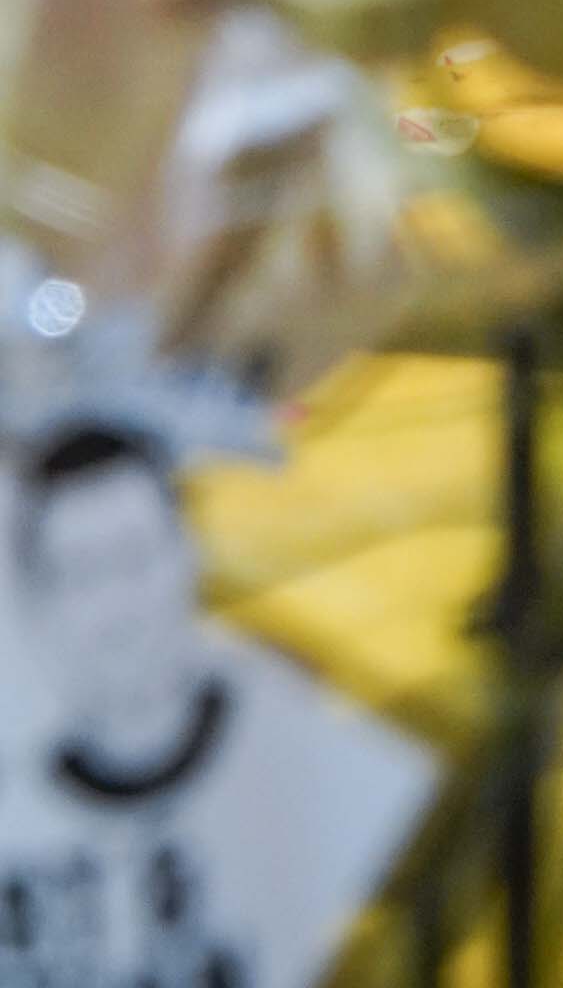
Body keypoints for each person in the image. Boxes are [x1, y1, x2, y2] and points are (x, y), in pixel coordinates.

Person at [0, 419, 437, 988]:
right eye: (82, 573)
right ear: (40, 598)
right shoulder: (19, 815)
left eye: (134, 559)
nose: (117, 606)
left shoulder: (333, 772)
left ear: (186, 554)